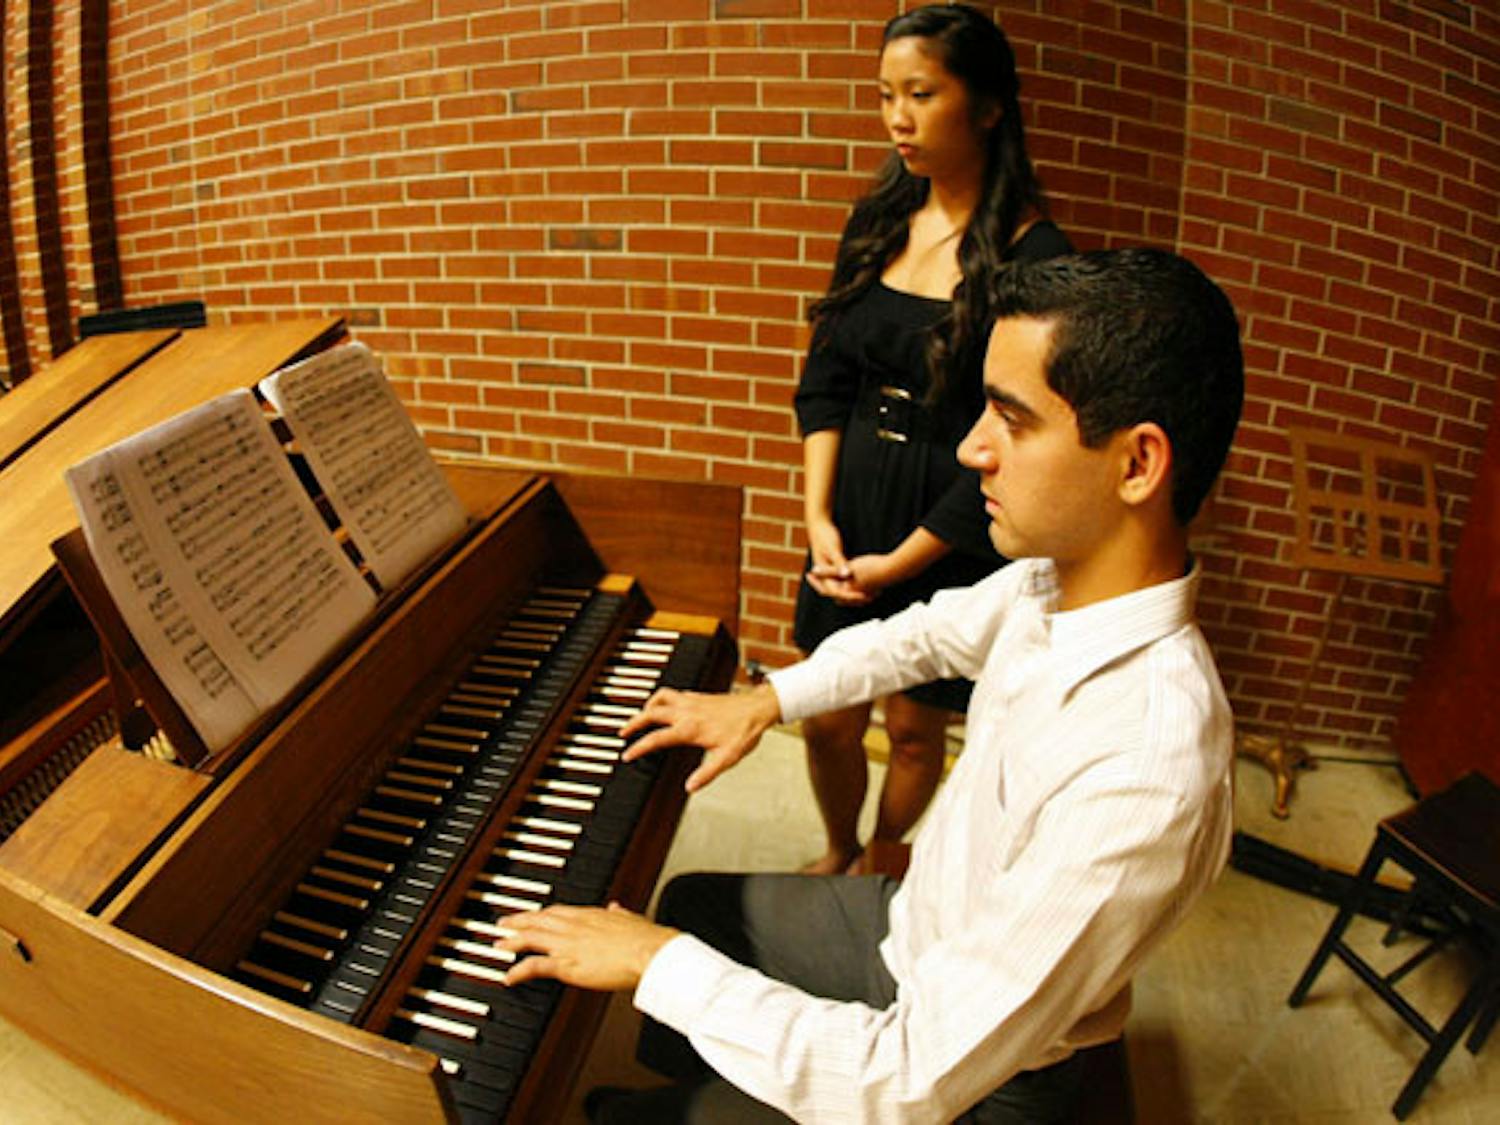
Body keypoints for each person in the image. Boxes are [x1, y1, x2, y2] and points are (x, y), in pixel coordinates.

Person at [498, 247, 1245, 1123]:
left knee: (645, 1029)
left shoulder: (1147, 767)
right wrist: (765, 700)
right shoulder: (1052, 581)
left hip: (974, 1078)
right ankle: (701, 1085)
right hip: (916, 931)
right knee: (691, 905)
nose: (971, 448)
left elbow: (906, 1080)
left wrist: (657, 964)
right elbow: (920, 636)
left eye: (1011, 417)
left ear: (1136, 464)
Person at [793, 4, 1072, 875]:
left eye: (920, 93)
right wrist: (817, 517)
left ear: (988, 107)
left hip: (949, 518)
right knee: (829, 712)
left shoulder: (1034, 254)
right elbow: (826, 380)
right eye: (885, 96)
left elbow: (1013, 433)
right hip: (854, 501)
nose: (896, 118)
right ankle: (837, 847)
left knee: (914, 728)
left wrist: (903, 563)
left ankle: (883, 854)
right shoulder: (877, 222)